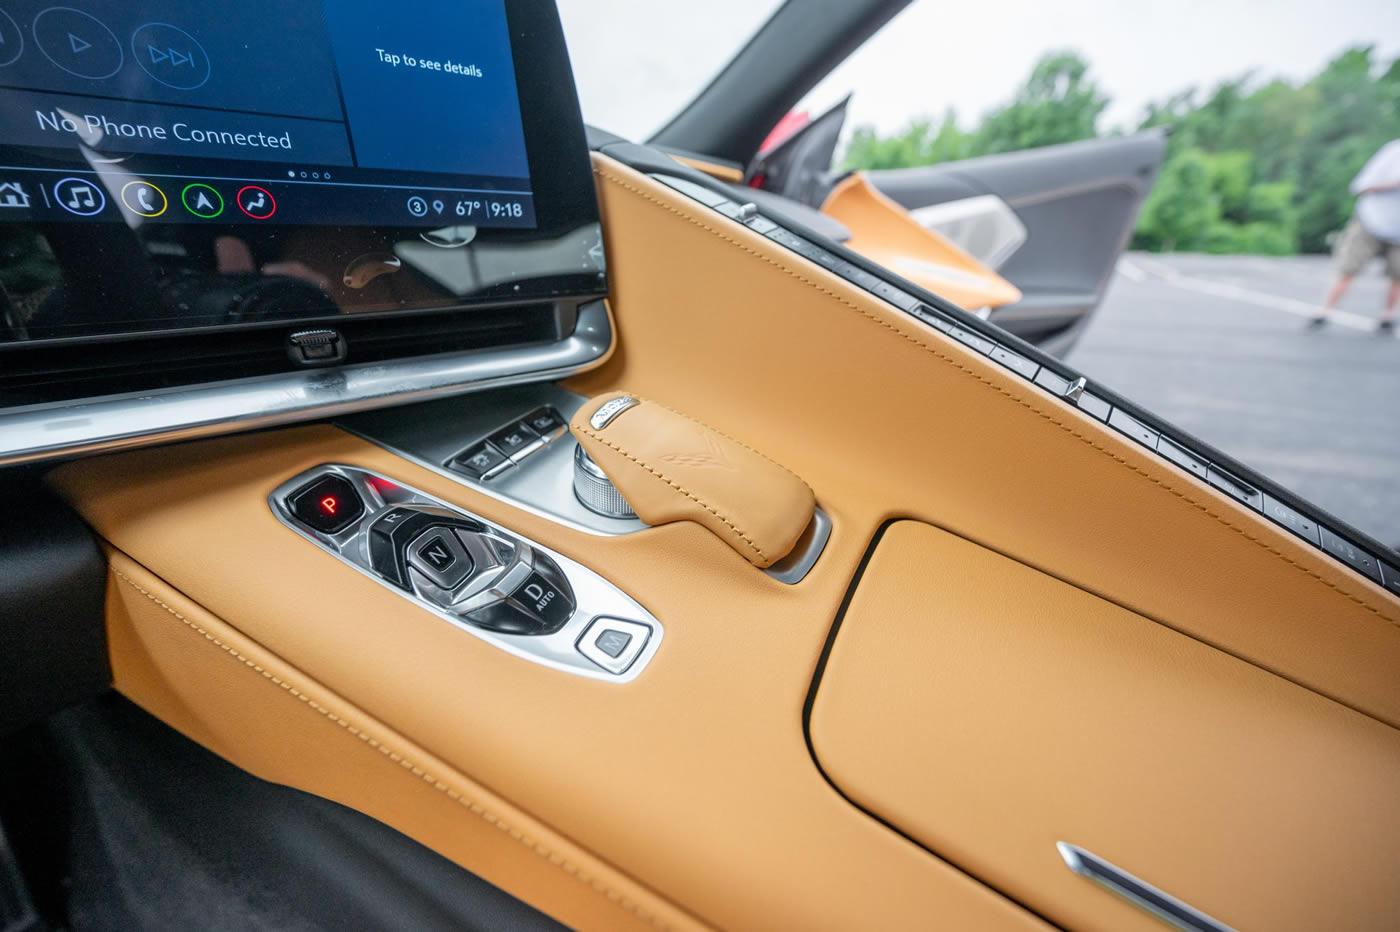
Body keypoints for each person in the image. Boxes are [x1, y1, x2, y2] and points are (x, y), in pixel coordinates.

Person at [1310, 138, 1400, 333]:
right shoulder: (1394, 152)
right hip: (1372, 220)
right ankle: (1323, 312)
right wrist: (1394, 184)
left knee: (1398, 273)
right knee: (1349, 267)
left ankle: (1387, 317)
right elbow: (1360, 186)